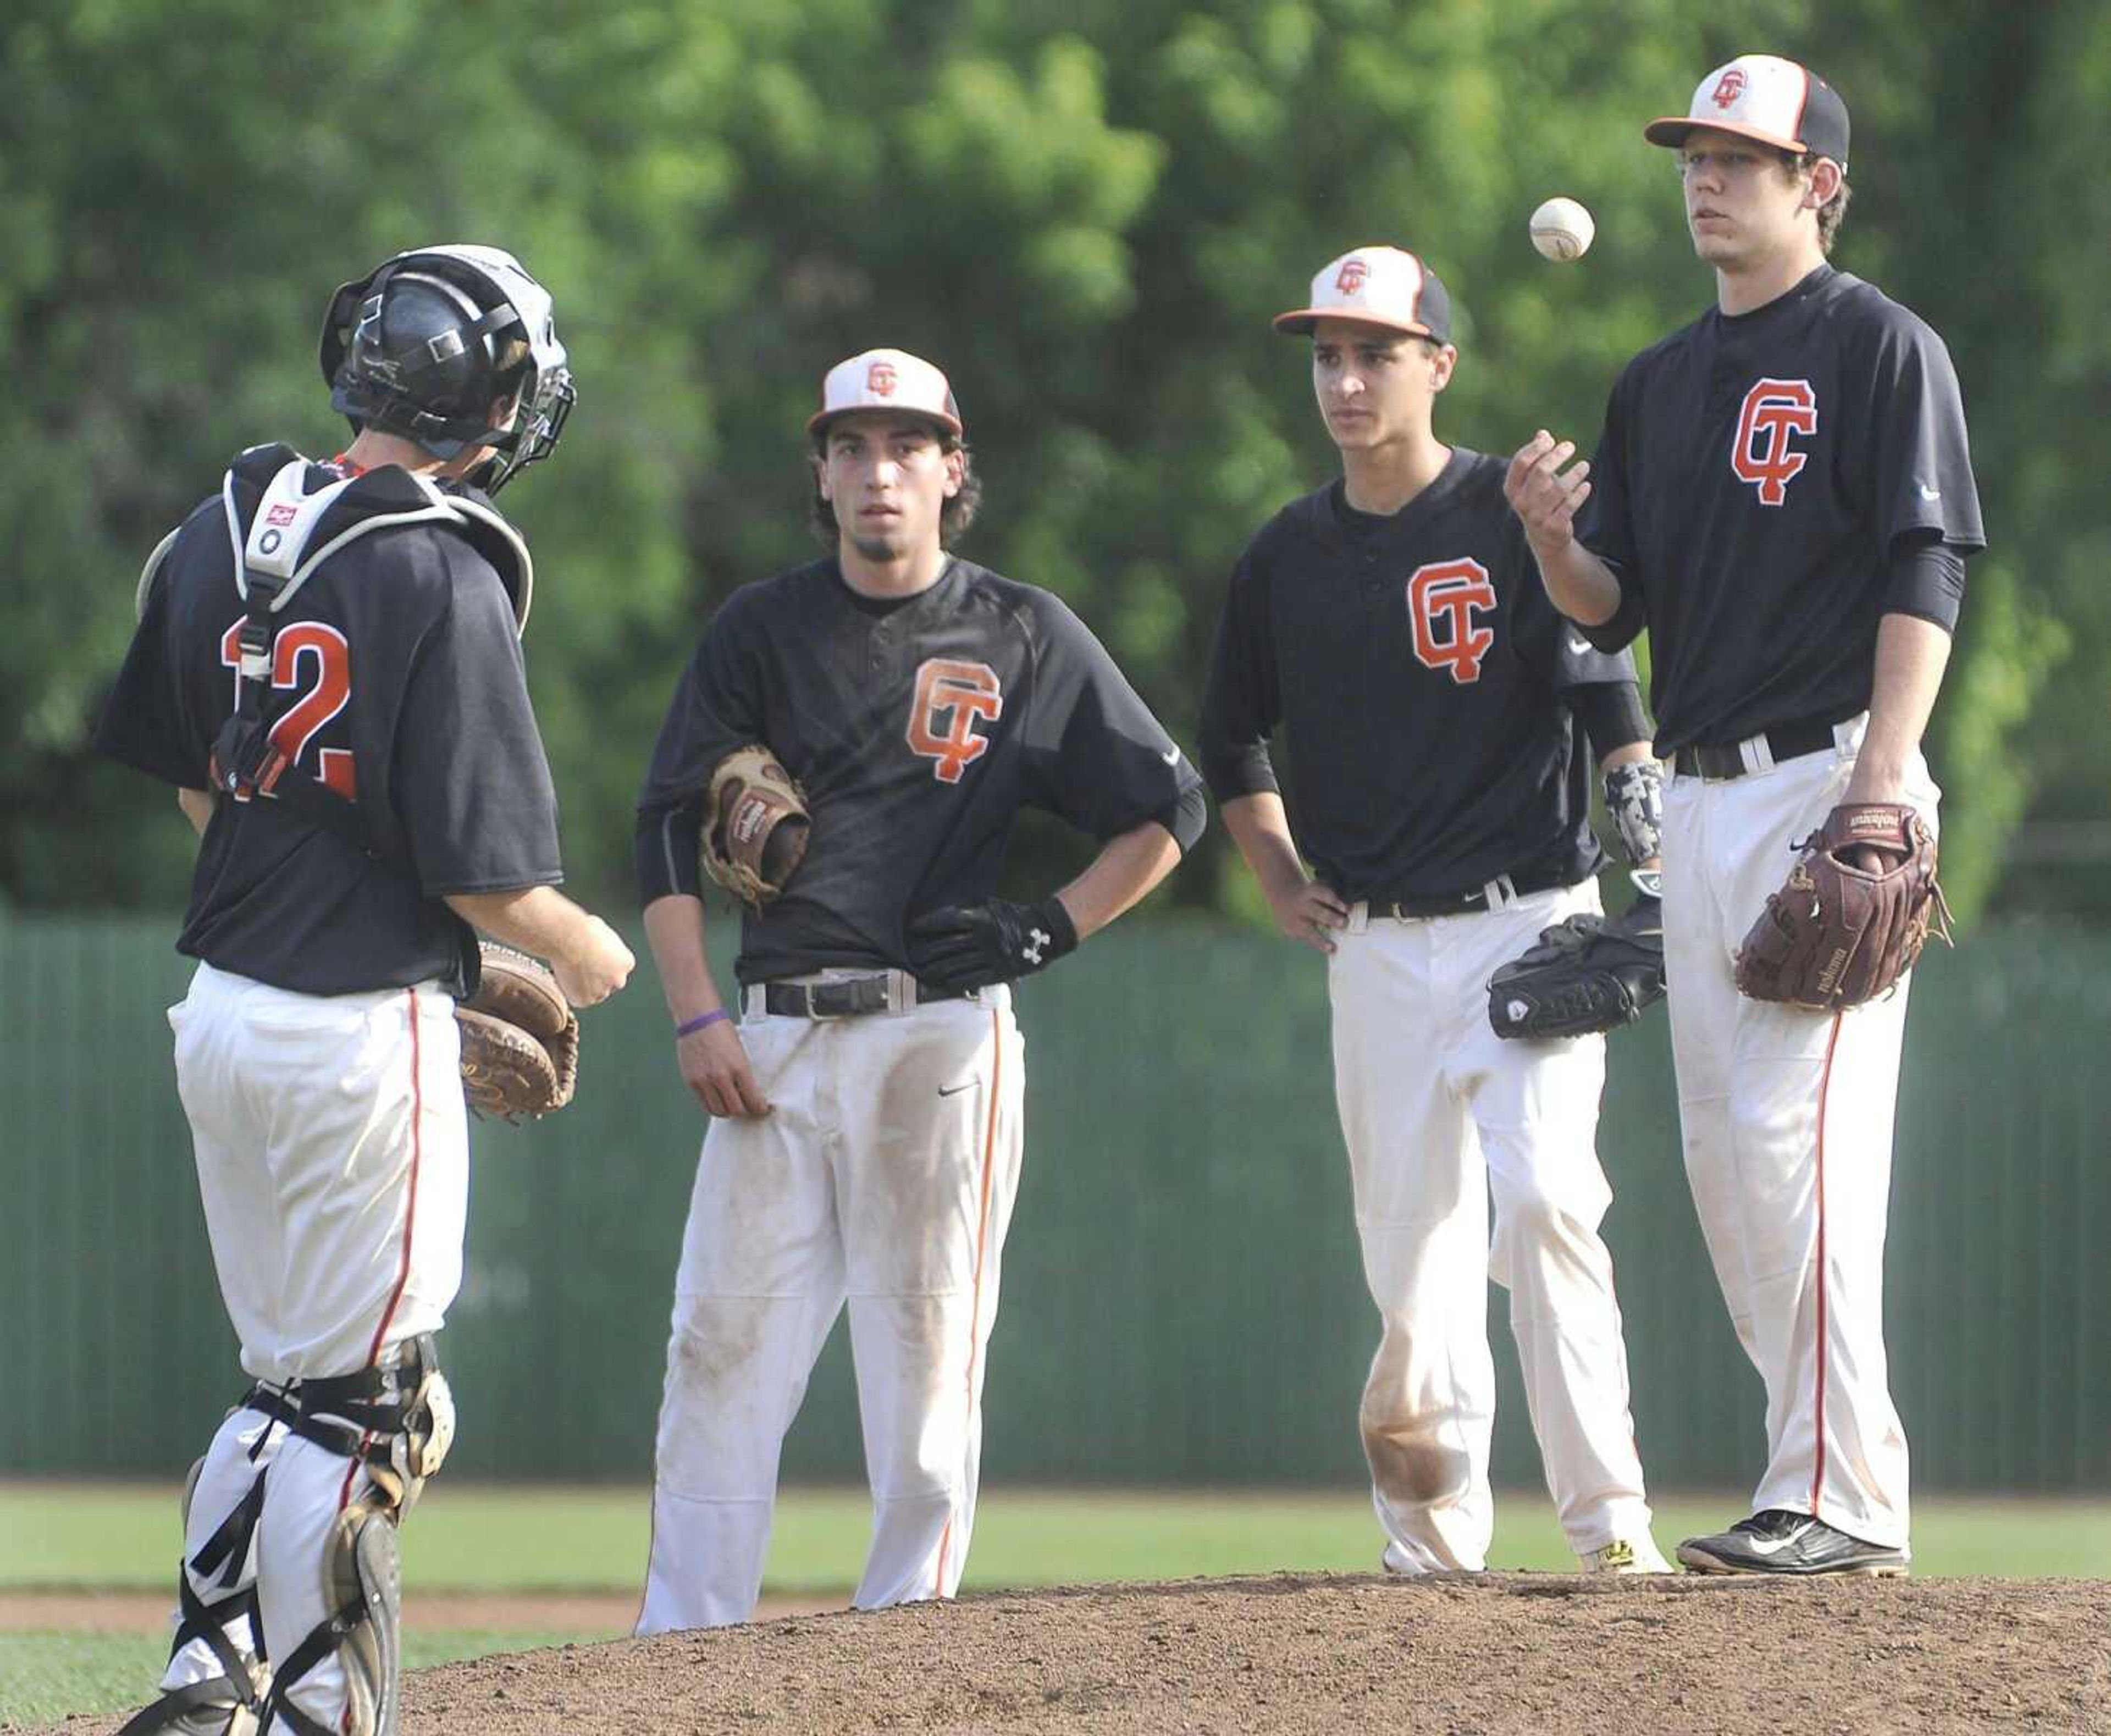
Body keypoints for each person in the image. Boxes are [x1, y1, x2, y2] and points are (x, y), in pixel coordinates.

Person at [93, 244, 634, 1734]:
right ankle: (323, 1711)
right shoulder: (440, 564)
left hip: (223, 1014)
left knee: (281, 1378)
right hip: (354, 1035)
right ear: (492, 404)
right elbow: (491, 882)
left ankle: (206, 1673)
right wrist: (593, 956)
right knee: (372, 1402)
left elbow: (200, 784)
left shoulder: (220, 532)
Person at [632, 347, 1205, 1629]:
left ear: (954, 473)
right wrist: (695, 1012)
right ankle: (678, 1650)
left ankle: (907, 1645)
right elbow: (668, 829)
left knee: (927, 1351)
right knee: (718, 1347)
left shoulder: (1021, 631)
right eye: (851, 446)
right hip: (769, 1040)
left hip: (934, 1035)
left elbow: (1168, 807)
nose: (879, 471)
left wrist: (1051, 927)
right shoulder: (759, 629)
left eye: (907, 447)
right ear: (822, 476)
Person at [1506, 55, 1984, 1577]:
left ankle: (1842, 1493)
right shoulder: (1655, 381)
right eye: (1694, 156)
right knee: (1727, 1156)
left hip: (1831, 775)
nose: (1706, 178)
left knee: (1802, 1138)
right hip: (1703, 798)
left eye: (1741, 156)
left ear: (1818, 184)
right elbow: (1613, 603)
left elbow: (1930, 567)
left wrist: (1882, 785)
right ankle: (1824, 1482)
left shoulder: (1882, 347)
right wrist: (1546, 540)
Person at [1199, 246, 1671, 1577]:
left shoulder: (1496, 512)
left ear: (1438, 366)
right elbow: (1230, 738)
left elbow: (1594, 659)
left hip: (1530, 919)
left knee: (1546, 1205)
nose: (1346, 381)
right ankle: (1431, 1555)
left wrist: (1633, 762)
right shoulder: (1286, 556)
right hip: (1378, 945)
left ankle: (1609, 1529)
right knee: (1412, 1259)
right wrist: (1280, 877)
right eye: (1328, 357)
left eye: (1376, 354)